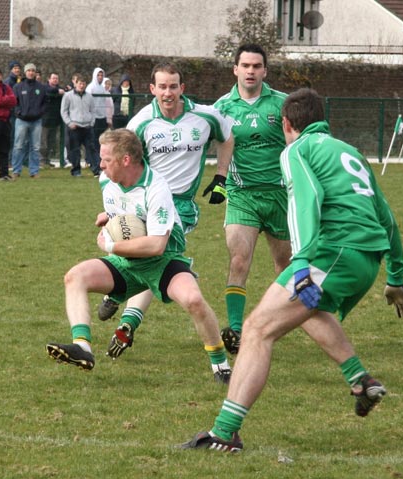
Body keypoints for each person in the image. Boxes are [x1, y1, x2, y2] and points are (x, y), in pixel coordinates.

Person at [181, 88, 403, 452]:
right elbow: (387, 218)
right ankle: (360, 379)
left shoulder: (296, 150)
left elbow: (306, 202)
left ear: (286, 123)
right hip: (364, 260)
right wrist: (396, 276)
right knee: (307, 310)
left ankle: (224, 434)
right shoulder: (350, 151)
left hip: (333, 253)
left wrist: (301, 261)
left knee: (258, 329)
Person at [46, 128, 232, 384]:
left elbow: (156, 245)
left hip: (163, 261)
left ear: (125, 160)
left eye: (106, 160)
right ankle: (83, 348)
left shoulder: (156, 188)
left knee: (194, 300)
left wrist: (111, 246)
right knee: (75, 277)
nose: (100, 165)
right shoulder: (106, 181)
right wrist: (109, 218)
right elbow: (126, 215)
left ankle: (220, 364)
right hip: (127, 264)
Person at [97, 62, 234, 363]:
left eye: (173, 86)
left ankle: (123, 308)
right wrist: (112, 203)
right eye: (162, 86)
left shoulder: (204, 116)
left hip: (181, 206)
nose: (168, 92)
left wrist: (221, 176)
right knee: (151, 258)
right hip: (144, 199)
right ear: (152, 89)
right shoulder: (142, 122)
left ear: (182, 88)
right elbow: (117, 160)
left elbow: (227, 136)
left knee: (155, 256)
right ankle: (120, 298)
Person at [213, 43, 291, 355]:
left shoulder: (283, 104)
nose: (250, 71)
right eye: (245, 65)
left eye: (256, 66)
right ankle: (234, 329)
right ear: (235, 69)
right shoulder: (222, 107)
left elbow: (298, 145)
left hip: (280, 196)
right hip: (241, 195)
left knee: (284, 265)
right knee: (239, 260)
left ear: (265, 71)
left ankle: (274, 322)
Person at [11, 63, 47, 179]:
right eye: (29, 70)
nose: (31, 72)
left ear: (35, 72)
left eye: (33, 70)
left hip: (36, 121)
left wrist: (40, 113)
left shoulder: (41, 87)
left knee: (35, 147)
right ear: (25, 72)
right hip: (22, 121)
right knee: (18, 146)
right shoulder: (18, 87)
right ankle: (16, 170)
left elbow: (45, 103)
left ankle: (34, 171)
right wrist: (19, 113)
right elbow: (14, 103)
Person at [60, 75, 97, 177]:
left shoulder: (89, 97)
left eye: (84, 83)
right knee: (74, 150)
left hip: (87, 127)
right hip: (74, 127)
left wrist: (91, 123)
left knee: (91, 149)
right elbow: (64, 111)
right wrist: (69, 123)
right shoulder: (68, 96)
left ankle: (96, 171)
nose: (82, 85)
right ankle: (76, 171)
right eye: (80, 83)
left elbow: (93, 111)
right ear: (75, 83)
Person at [86, 67, 110, 176]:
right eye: (98, 75)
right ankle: (92, 162)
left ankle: (101, 162)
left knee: (101, 141)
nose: (100, 77)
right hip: (93, 118)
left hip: (102, 117)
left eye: (102, 75)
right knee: (93, 142)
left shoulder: (103, 88)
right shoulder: (90, 88)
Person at [40, 72, 64, 168]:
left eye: (56, 78)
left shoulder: (59, 88)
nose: (55, 80)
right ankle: (41, 160)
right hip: (45, 120)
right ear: (49, 79)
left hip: (55, 120)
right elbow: (50, 91)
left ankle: (47, 160)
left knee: (51, 142)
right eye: (53, 78)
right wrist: (58, 91)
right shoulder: (45, 88)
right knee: (43, 142)